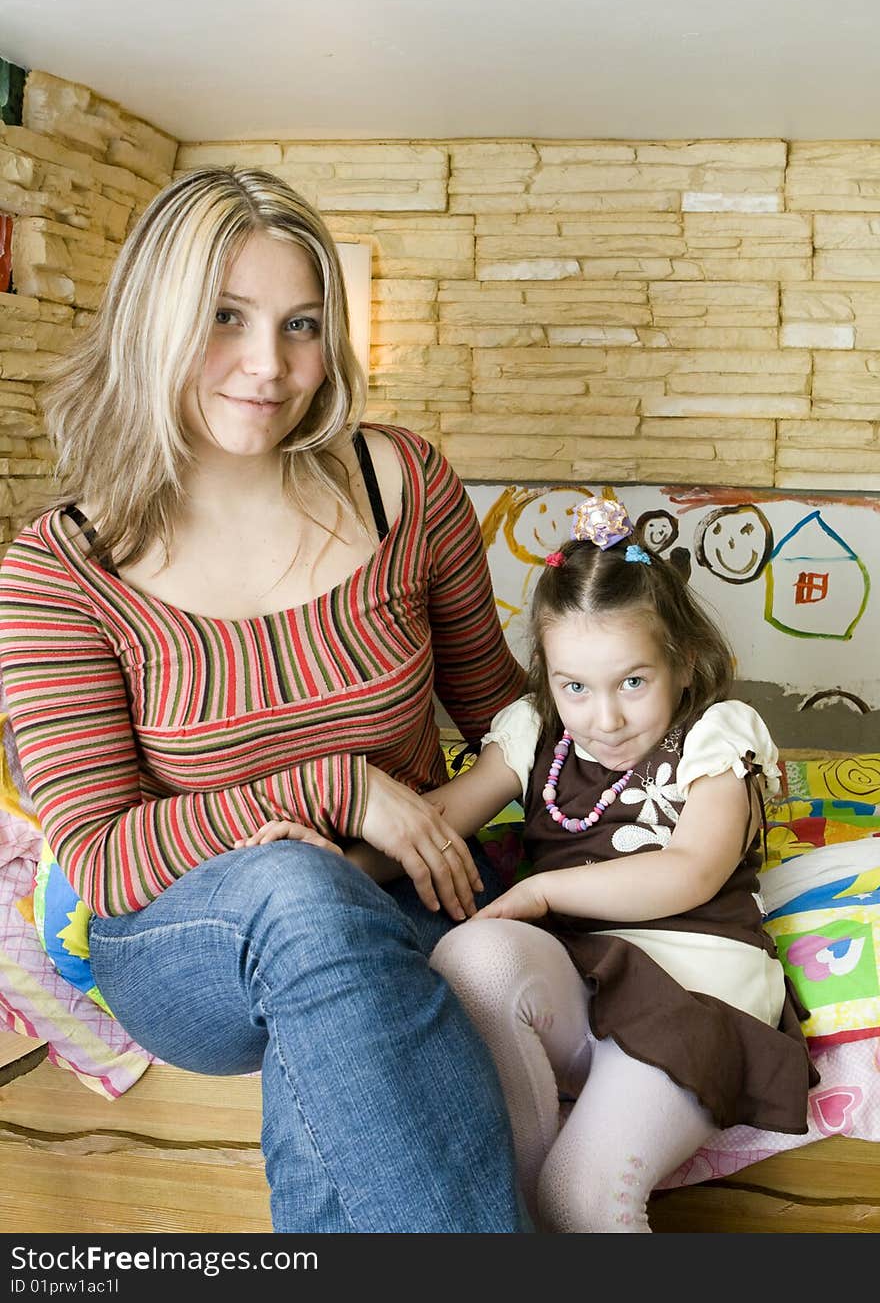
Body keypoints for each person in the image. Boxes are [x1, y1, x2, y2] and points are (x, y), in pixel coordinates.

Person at [0, 166, 530, 1233]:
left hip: (398, 902)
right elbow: (104, 854)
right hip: (183, 949)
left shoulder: (401, 483)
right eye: (226, 317)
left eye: (301, 324)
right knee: (293, 891)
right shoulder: (59, 565)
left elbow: (509, 720)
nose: (269, 365)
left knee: (330, 1019)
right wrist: (342, 790)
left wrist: (400, 840)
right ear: (155, 319)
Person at [420, 494, 819, 1233]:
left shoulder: (715, 735)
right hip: (578, 986)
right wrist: (336, 847)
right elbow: (436, 822)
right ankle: (520, 1210)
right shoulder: (536, 729)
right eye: (575, 686)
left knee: (581, 1200)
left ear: (683, 661)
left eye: (633, 682)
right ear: (549, 675)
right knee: (472, 952)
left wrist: (540, 890)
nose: (604, 719)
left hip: (692, 991)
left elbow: (693, 868)